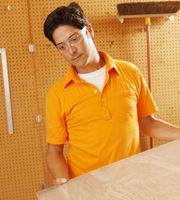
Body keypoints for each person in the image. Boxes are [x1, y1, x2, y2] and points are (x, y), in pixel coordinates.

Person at [43, 2, 180, 184]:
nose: (71, 51)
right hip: (86, 186)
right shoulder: (57, 94)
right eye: (62, 47)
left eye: (74, 39)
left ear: (89, 30)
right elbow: (54, 151)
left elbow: (147, 123)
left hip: (132, 180)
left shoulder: (129, 72)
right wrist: (62, 181)